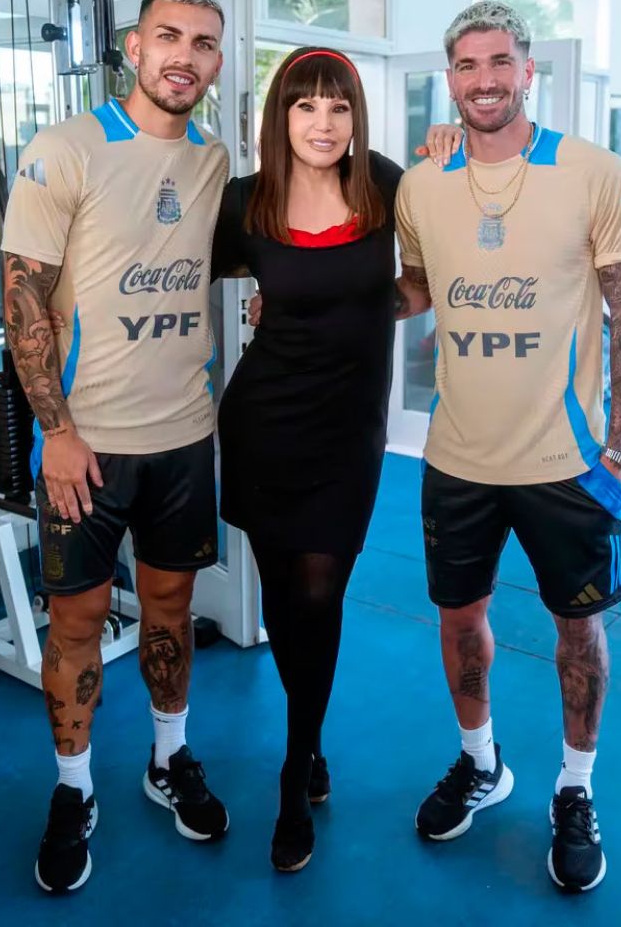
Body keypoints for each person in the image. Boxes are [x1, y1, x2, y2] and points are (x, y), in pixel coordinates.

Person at [394, 1, 621, 894]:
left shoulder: (593, 173)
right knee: (459, 618)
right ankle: (481, 762)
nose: (484, 80)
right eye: (467, 65)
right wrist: (315, 303)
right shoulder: (423, 183)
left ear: (528, 70)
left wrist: (617, 452)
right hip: (457, 456)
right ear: (450, 77)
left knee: (578, 627)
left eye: (500, 61)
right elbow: (415, 290)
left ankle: (575, 787)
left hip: (565, 461)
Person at [1, 0, 232, 895]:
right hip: (85, 445)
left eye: (204, 43)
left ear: (217, 62)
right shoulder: (66, 149)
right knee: (78, 623)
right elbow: (24, 296)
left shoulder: (214, 160)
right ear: (134, 48)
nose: (185, 56)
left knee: (171, 608)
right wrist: (54, 430)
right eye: (169, 37)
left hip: (184, 438)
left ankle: (169, 759)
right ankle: (73, 787)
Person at [211, 47, 409, 873]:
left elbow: (427, 274)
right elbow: (188, 271)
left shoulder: (386, 185)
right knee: (284, 600)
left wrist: (364, 308)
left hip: (349, 430)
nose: (323, 123)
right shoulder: (243, 202)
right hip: (265, 423)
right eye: (305, 106)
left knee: (322, 592)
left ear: (356, 116)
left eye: (339, 106)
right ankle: (311, 742)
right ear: (280, 116)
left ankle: (295, 771)